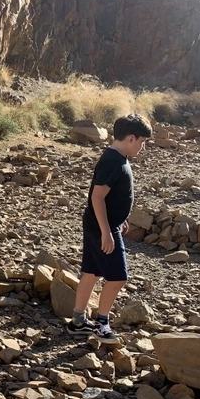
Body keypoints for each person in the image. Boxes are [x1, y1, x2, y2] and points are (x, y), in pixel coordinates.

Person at [67, 114, 152, 345]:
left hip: (102, 224)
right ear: (131, 138)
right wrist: (106, 231)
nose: (142, 147)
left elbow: (111, 196)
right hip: (101, 227)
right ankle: (101, 324)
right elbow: (97, 197)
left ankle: (78, 321)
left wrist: (119, 219)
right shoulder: (113, 161)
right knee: (118, 278)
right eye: (142, 142)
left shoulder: (117, 157)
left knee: (93, 272)